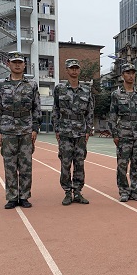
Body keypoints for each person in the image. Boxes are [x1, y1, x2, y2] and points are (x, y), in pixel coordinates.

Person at [0, 51, 41, 209]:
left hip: (26, 129)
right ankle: (12, 197)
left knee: (26, 165)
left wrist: (35, 128)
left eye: (20, 62)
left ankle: (24, 196)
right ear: (8, 64)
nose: (17, 65)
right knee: (10, 165)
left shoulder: (31, 85)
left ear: (24, 65)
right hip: (7, 130)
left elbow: (36, 108)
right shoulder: (0, 85)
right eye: (14, 62)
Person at [52, 59, 94, 206]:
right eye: (72, 68)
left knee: (79, 163)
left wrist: (88, 130)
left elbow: (90, 112)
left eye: (76, 68)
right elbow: (56, 110)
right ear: (67, 70)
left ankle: (77, 191)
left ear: (79, 70)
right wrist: (56, 129)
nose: (74, 71)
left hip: (80, 132)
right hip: (65, 131)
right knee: (65, 163)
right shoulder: (60, 89)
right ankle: (67, 192)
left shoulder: (87, 90)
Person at [108, 63, 137, 202]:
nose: (131, 76)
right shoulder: (116, 94)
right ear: (122, 75)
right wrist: (115, 134)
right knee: (122, 164)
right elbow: (112, 116)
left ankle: (135, 190)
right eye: (128, 73)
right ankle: (124, 191)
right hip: (123, 133)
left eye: (133, 73)